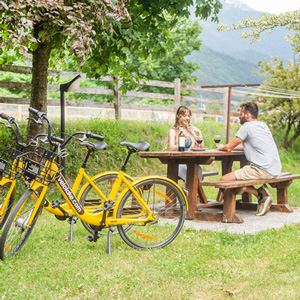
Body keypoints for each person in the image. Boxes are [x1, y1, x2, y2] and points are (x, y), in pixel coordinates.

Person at [217, 102, 282, 216]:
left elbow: (229, 147)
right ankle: (260, 196)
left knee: (224, 180)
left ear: (247, 115)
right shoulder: (263, 125)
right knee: (237, 178)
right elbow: (248, 145)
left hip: (262, 169)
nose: (239, 116)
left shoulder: (246, 127)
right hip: (275, 169)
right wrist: (229, 147)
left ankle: (260, 194)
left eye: (241, 113)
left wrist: (222, 147)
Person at [168, 105, 204, 181]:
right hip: (178, 163)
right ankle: (190, 192)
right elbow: (171, 148)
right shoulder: (173, 131)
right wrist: (182, 143)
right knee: (190, 170)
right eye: (184, 116)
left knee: (198, 168)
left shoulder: (190, 130)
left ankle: (194, 192)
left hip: (190, 161)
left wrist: (199, 132)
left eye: (188, 116)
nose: (187, 118)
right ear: (178, 116)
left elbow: (201, 146)